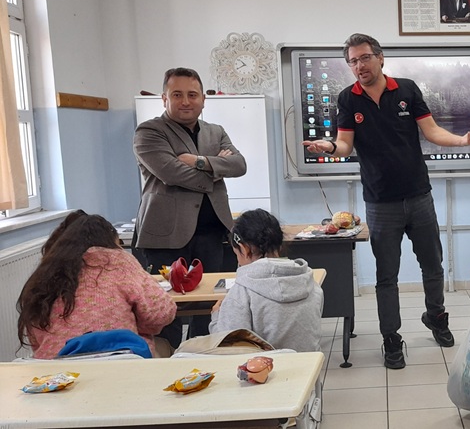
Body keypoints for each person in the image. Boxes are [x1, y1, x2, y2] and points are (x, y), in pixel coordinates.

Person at [302, 33, 470, 369]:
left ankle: (436, 316)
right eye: (353, 61)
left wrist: (462, 141)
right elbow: (345, 145)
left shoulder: (407, 90)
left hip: (419, 195)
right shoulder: (348, 99)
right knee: (386, 276)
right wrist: (328, 147)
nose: (359, 65)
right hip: (380, 202)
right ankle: (391, 337)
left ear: (380, 57)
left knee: (433, 266)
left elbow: (432, 131)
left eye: (364, 58)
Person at [133, 67, 247, 346]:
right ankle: (168, 361)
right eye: (177, 95)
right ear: (164, 98)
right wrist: (218, 168)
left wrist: (199, 161)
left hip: (213, 234)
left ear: (203, 99)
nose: (186, 101)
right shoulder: (149, 132)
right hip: (166, 237)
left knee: (210, 307)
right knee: (165, 310)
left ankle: (202, 356)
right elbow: (172, 173)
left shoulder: (215, 131)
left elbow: (239, 165)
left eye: (192, 95)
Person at [16, 210, 177, 359]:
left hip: (56, 370)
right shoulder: (119, 260)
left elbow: (35, 337)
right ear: (111, 241)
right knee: (163, 347)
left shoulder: (45, 274)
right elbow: (160, 314)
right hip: (119, 361)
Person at [209, 209, 323, 352]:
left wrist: (216, 317)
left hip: (266, 366)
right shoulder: (311, 283)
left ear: (244, 249)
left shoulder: (241, 293)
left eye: (236, 254)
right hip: (310, 365)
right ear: (279, 244)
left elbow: (228, 348)